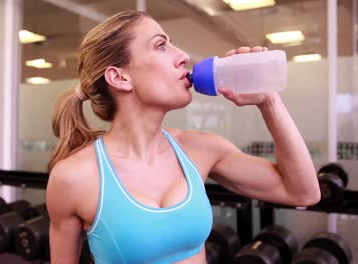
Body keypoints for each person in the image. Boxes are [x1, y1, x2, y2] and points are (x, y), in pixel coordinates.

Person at [45, 10, 320, 264]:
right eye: (161, 45)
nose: (183, 55)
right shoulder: (74, 177)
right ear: (119, 77)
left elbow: (303, 191)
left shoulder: (199, 148)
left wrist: (268, 100)